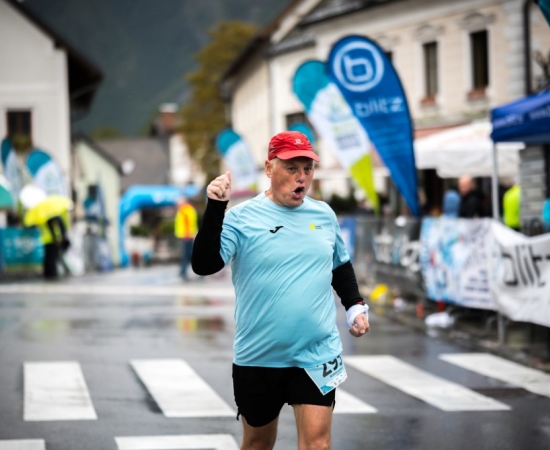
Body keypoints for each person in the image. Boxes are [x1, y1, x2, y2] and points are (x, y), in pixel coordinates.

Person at [191, 130, 369, 450]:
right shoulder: (241, 218)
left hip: (317, 353)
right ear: (269, 168)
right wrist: (216, 208)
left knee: (317, 444)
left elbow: (339, 265)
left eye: (307, 169)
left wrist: (354, 306)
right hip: (259, 355)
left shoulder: (324, 215)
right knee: (258, 444)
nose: (301, 177)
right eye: (291, 168)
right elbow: (204, 265)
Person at [174, 196, 198, 280]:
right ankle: (183, 270)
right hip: (187, 236)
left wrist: (186, 234)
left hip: (186, 236)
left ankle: (184, 271)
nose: (177, 205)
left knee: (187, 254)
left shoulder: (185, 210)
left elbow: (187, 223)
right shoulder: (188, 209)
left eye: (178, 204)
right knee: (189, 254)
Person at [40, 214, 70, 279]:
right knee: (52, 259)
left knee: (48, 258)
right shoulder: (53, 219)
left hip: (47, 240)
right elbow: (55, 230)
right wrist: (57, 239)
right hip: (53, 241)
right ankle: (52, 273)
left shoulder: (44, 218)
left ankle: (48, 273)